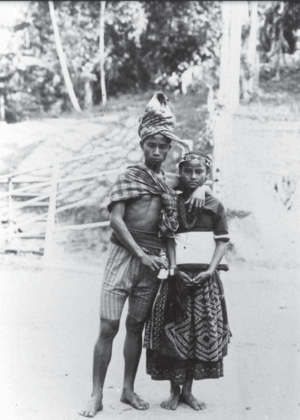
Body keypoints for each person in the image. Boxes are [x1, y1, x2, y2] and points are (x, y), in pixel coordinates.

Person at [79, 94, 212, 417]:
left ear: (168, 150)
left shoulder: (171, 182)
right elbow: (116, 220)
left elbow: (200, 180)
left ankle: (127, 389)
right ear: (143, 145)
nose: (156, 151)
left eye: (162, 146)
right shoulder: (129, 176)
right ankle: (96, 394)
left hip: (153, 261)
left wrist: (201, 190)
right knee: (108, 326)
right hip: (125, 256)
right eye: (151, 145)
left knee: (136, 326)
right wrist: (139, 254)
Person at [144, 151, 231, 411]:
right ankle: (173, 390)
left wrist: (210, 270)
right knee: (173, 332)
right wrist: (172, 267)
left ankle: (189, 392)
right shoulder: (172, 203)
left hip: (205, 278)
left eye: (199, 172)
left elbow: (222, 241)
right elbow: (169, 239)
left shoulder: (215, 204)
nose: (193, 176)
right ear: (181, 173)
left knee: (197, 334)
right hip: (177, 278)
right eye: (188, 171)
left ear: (207, 175)